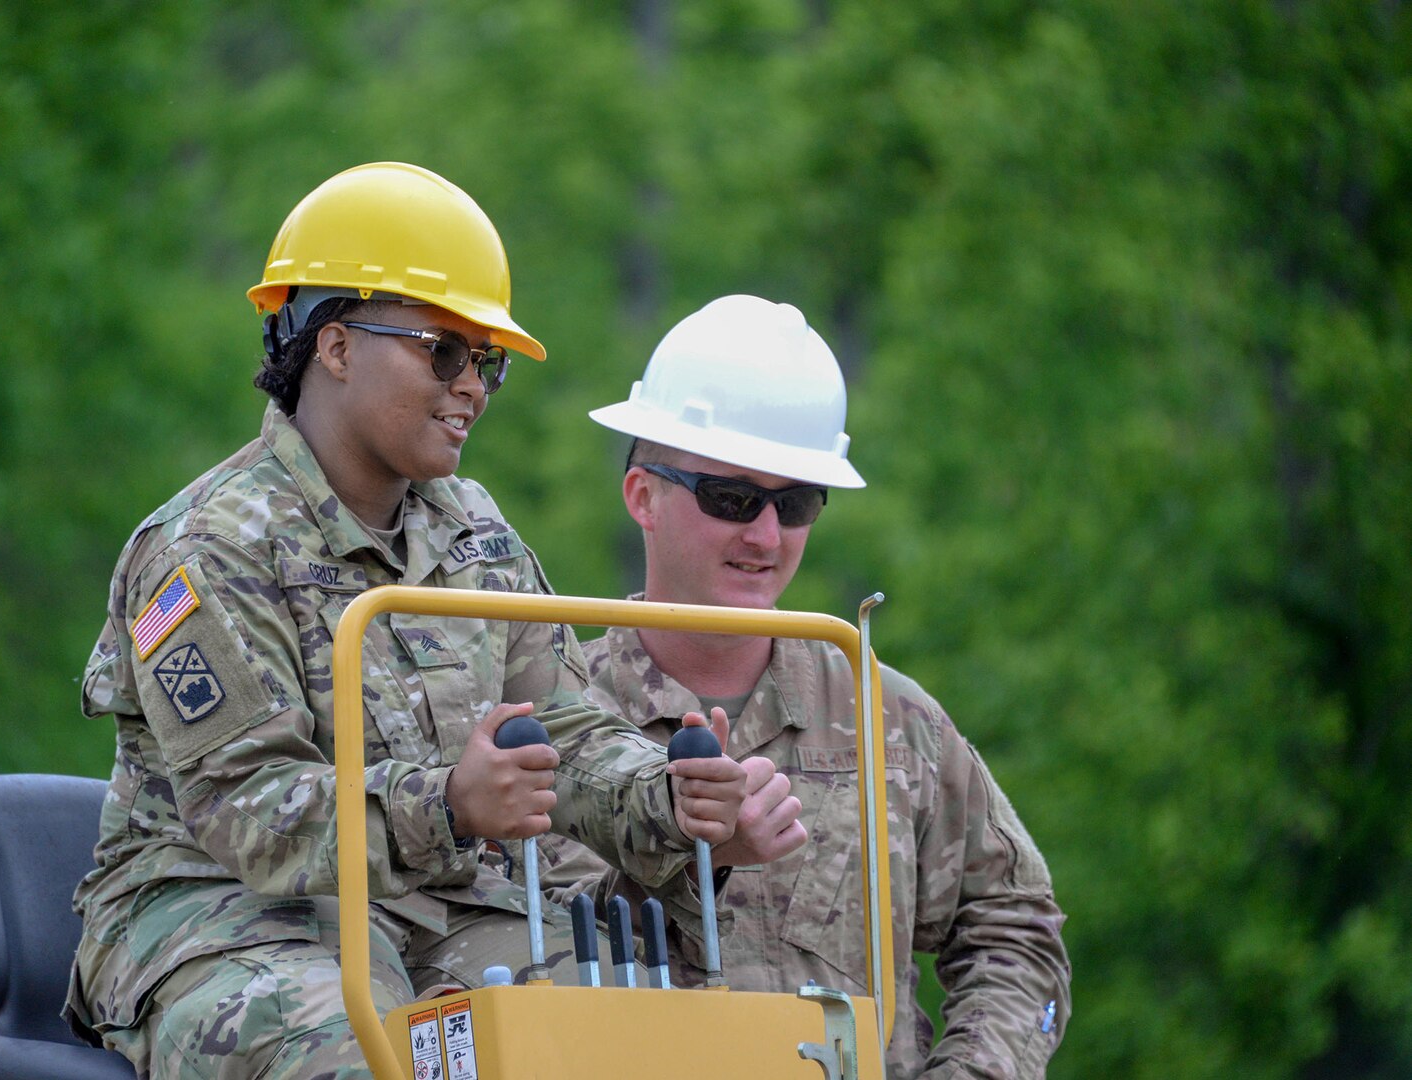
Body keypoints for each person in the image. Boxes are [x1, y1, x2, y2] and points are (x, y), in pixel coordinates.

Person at [63, 162, 746, 1079]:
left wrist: (668, 799)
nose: (474, 387)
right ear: (336, 347)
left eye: (488, 362)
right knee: (363, 1055)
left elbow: (570, 731)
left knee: (648, 1046)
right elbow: (248, 813)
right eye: (445, 351)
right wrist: (452, 805)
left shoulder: (474, 530)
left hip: (440, 912)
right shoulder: (203, 550)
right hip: (221, 918)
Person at [540, 295, 1071, 1078]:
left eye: (796, 504)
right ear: (642, 496)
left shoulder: (888, 718)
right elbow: (515, 951)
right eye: (731, 498)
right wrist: (697, 858)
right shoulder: (553, 721)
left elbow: (1014, 928)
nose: (765, 535)